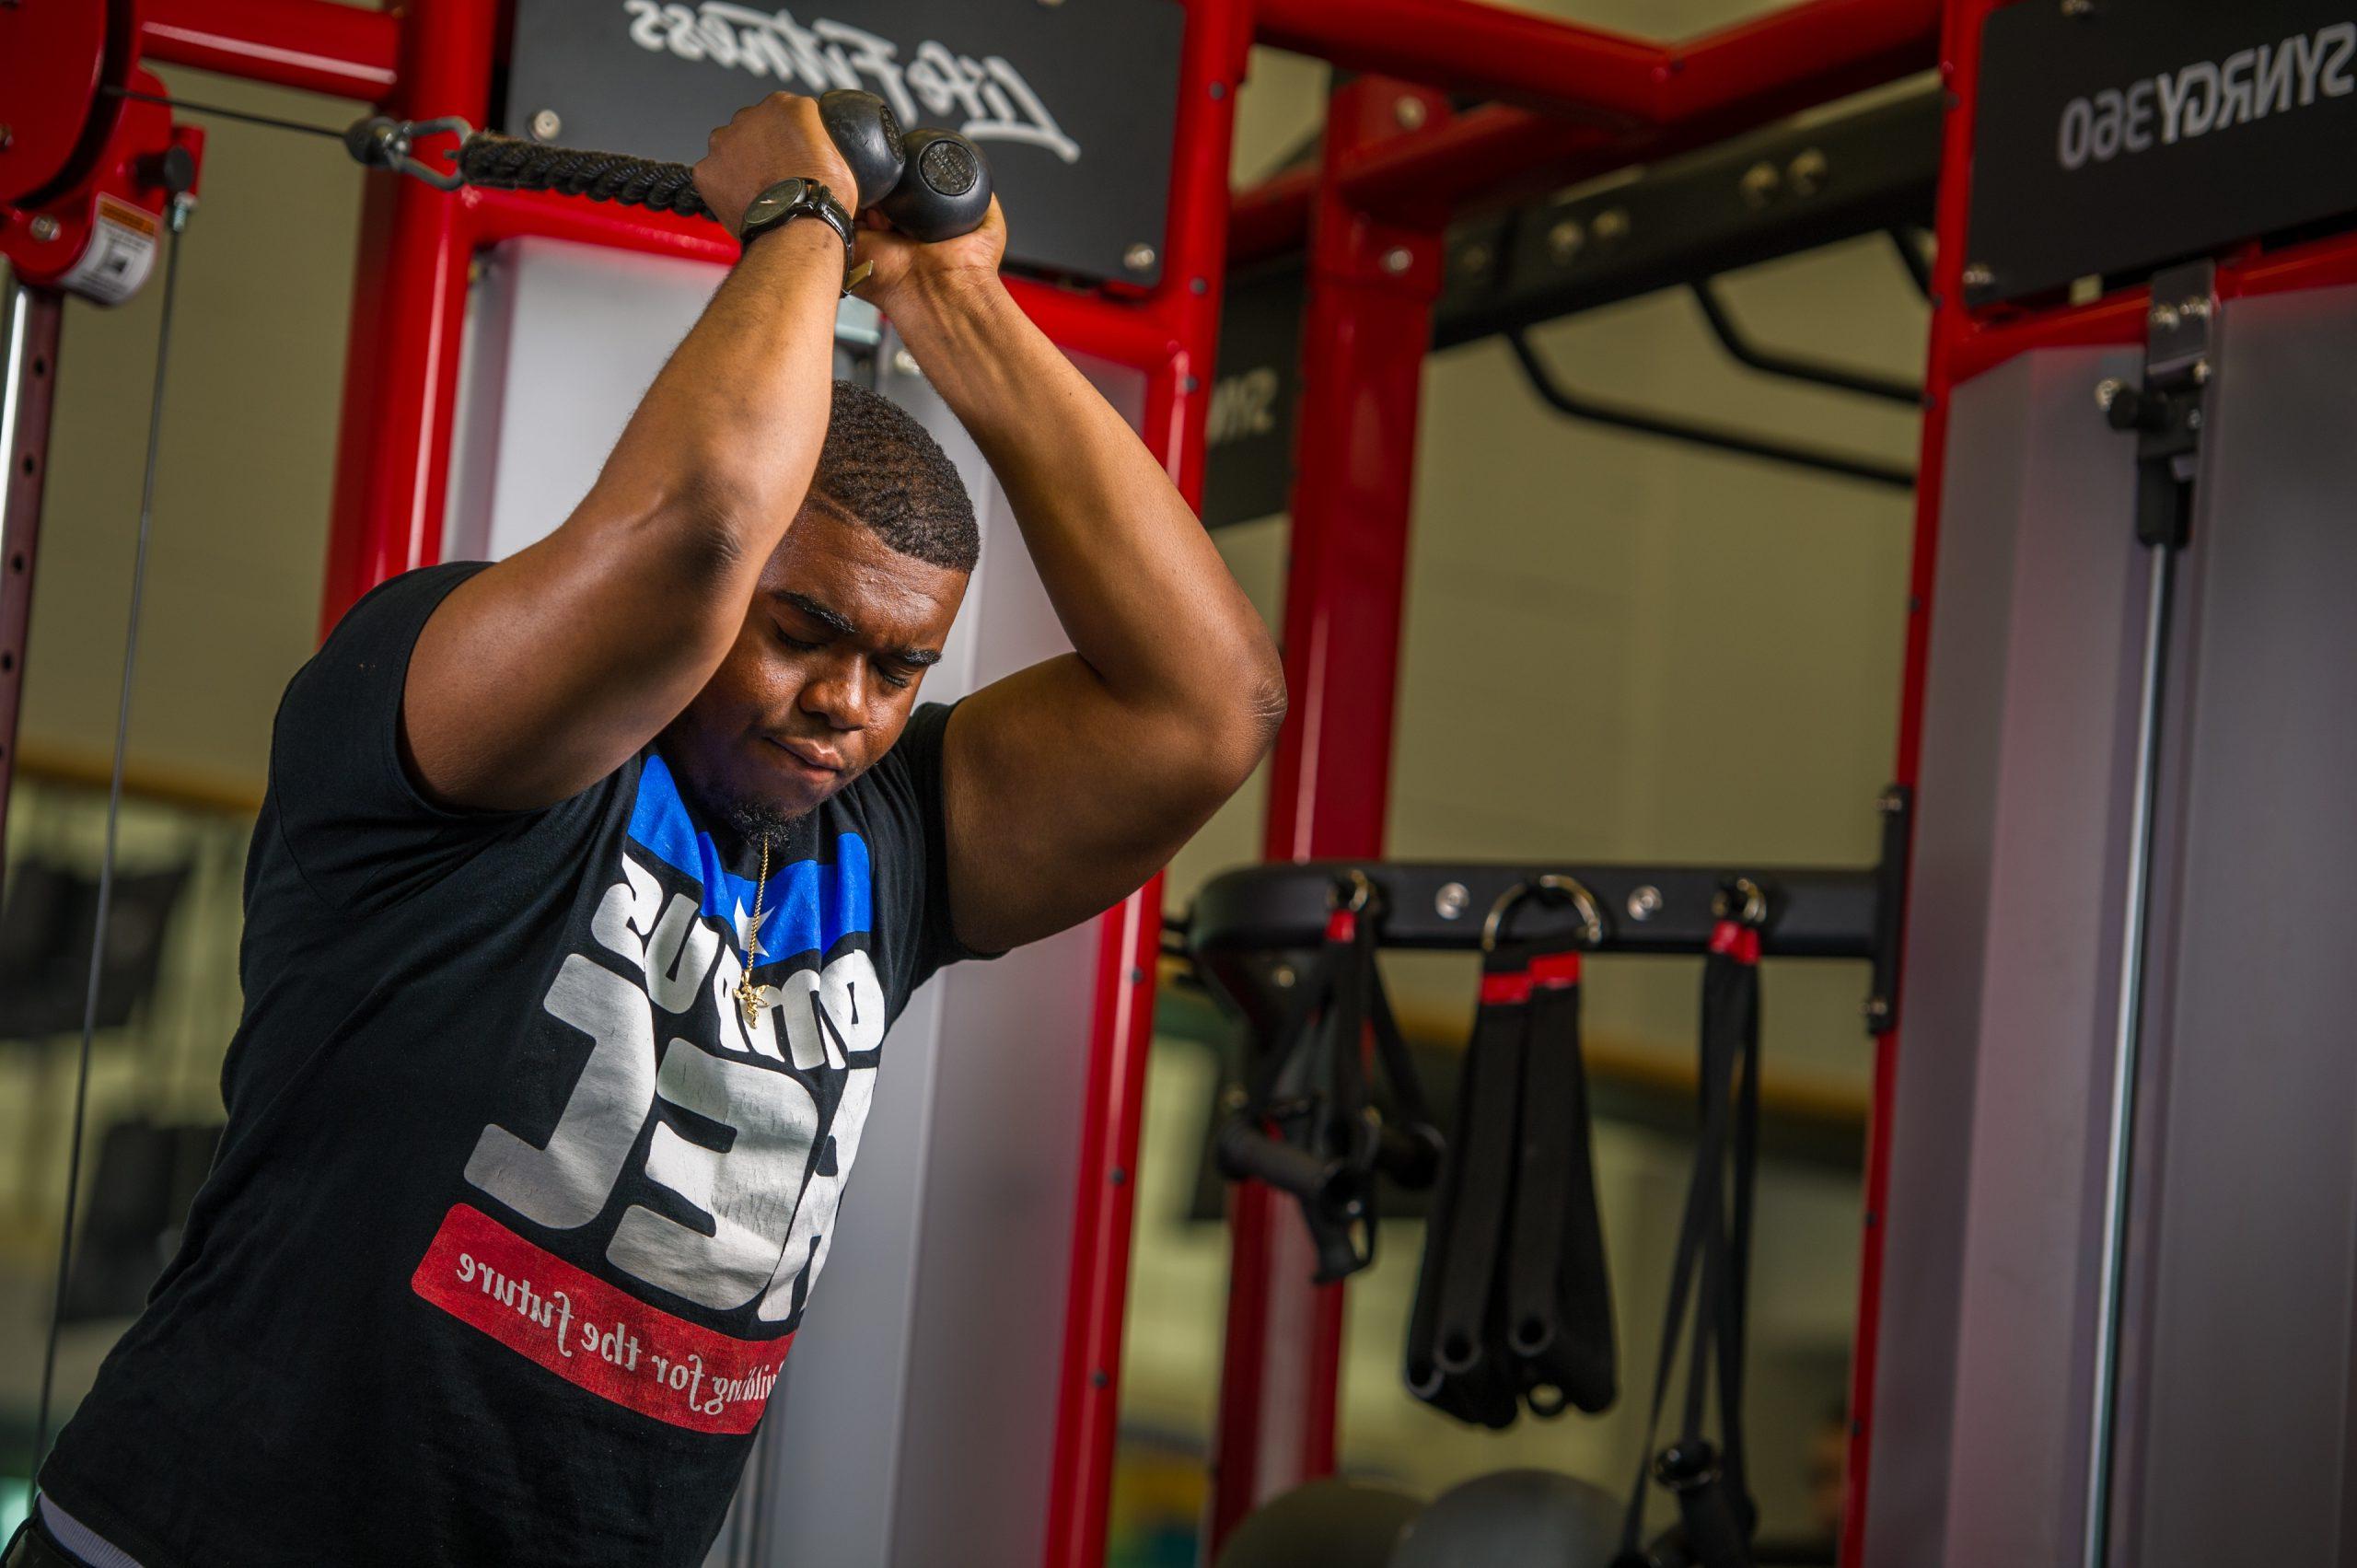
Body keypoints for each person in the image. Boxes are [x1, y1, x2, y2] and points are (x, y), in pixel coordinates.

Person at [15, 92, 1283, 1568]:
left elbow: (1215, 705)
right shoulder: (468, 714)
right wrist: (796, 225)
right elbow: (692, 533)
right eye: (803, 633)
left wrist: (953, 298)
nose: (847, 707)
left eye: (901, 668)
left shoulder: (891, 845)